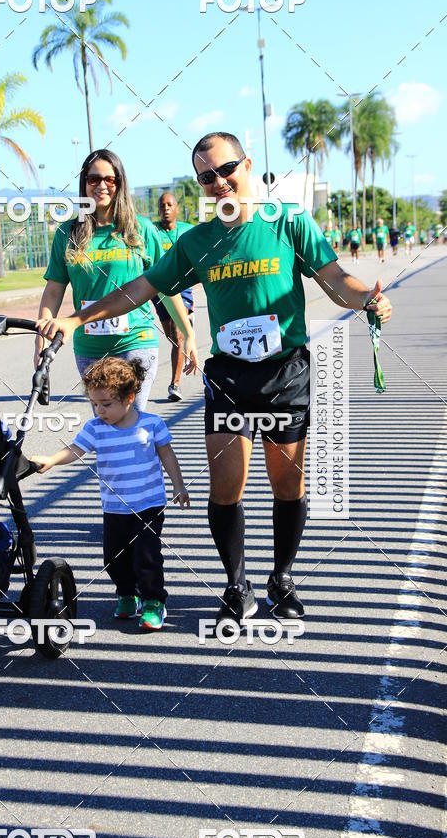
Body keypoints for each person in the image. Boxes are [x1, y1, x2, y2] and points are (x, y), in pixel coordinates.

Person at [38, 131, 392, 625]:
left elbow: (334, 279)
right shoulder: (196, 242)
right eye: (207, 177)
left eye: (226, 170)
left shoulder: (288, 222)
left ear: (247, 167)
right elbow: (140, 289)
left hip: (285, 373)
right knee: (226, 488)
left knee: (287, 484)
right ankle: (236, 583)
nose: (218, 182)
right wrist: (76, 319)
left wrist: (368, 299)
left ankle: (281, 578)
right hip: (229, 378)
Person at [31, 357, 190, 630]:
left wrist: (179, 484)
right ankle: (127, 594)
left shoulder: (152, 424)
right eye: (95, 404)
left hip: (148, 504)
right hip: (114, 507)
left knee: (146, 556)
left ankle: (153, 601)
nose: (99, 410)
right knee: (113, 558)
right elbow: (76, 450)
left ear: (129, 398)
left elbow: (167, 455)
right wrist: (52, 459)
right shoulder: (96, 429)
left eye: (106, 404)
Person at [35, 148, 196, 411]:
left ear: (120, 183)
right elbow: (54, 289)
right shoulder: (68, 233)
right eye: (93, 179)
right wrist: (40, 341)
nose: (101, 186)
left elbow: (166, 287)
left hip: (135, 340)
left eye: (110, 179)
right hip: (89, 347)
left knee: (130, 419)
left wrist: (187, 334)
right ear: (84, 183)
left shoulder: (141, 229)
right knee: (105, 423)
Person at [152, 192, 195, 401]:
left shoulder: (188, 230)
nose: (166, 208)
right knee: (170, 334)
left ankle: (174, 384)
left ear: (176, 208)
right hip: (158, 289)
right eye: (162, 205)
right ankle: (184, 331)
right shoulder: (151, 231)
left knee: (178, 335)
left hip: (182, 288)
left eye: (170, 205)